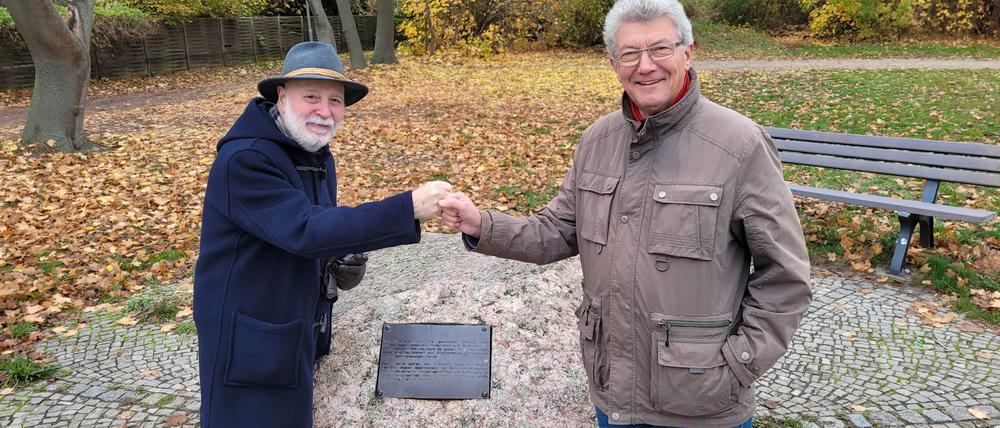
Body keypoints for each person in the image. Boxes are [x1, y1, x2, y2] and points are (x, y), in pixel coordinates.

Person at [439, 0, 812, 426]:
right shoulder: (598, 141)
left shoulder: (740, 145)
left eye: (660, 49)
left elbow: (785, 276)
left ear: (688, 53)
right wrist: (479, 224)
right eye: (630, 53)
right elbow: (558, 230)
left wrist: (737, 364)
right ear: (615, 64)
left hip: (702, 405)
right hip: (613, 394)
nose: (646, 66)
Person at [193, 41, 451, 427]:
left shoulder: (313, 155)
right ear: (281, 97)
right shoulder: (245, 160)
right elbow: (305, 229)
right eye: (310, 96)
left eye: (335, 101)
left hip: (294, 332)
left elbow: (306, 231)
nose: (324, 111)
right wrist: (407, 207)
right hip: (248, 345)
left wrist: (336, 259)